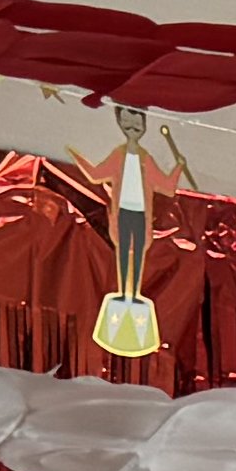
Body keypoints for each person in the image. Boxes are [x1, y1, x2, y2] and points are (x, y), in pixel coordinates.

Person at [71, 105, 193, 355]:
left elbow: (166, 186)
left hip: (140, 215)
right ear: (120, 125)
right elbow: (96, 174)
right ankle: (123, 296)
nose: (132, 130)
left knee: (137, 254)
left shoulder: (146, 158)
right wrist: (75, 154)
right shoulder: (118, 154)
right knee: (123, 252)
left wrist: (178, 167)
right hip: (123, 213)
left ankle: (133, 295)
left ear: (144, 126)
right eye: (127, 125)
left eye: (137, 125)